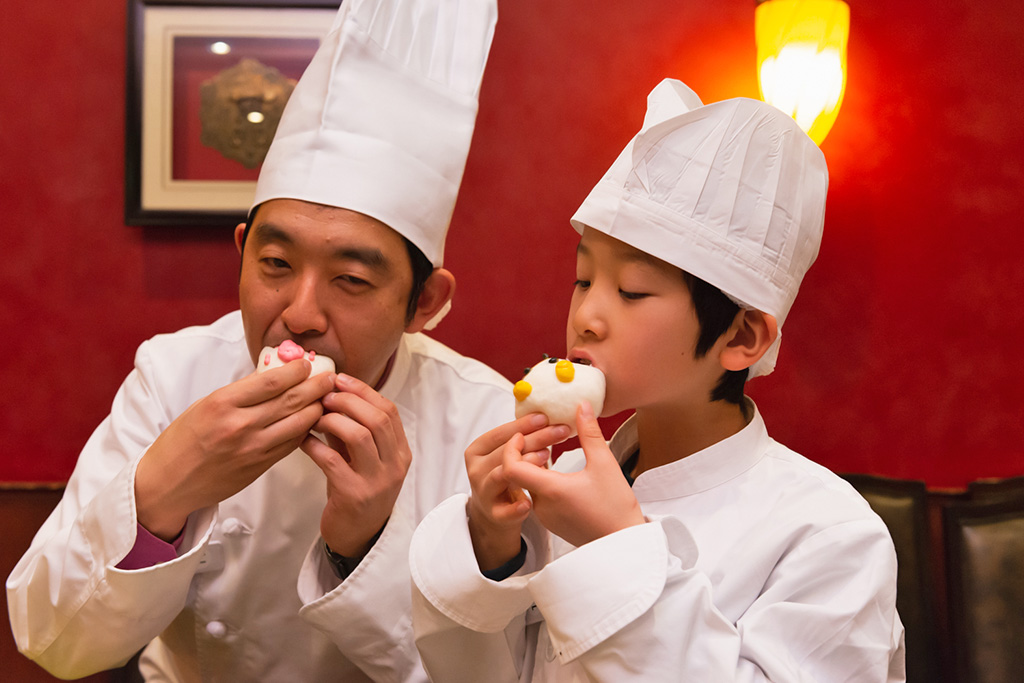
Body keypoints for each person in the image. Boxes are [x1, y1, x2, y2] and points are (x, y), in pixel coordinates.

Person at [7, 0, 506, 680]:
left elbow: (498, 670)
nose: (300, 313)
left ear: (426, 302)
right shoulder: (174, 374)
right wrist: (163, 492)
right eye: (275, 264)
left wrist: (364, 547)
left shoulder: (483, 419)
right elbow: (53, 641)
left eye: (352, 280)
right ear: (241, 253)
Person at [408, 79, 906, 681]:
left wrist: (614, 546)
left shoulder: (830, 533)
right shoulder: (559, 486)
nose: (587, 317)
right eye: (584, 279)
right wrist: (492, 548)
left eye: (632, 291)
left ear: (741, 337)